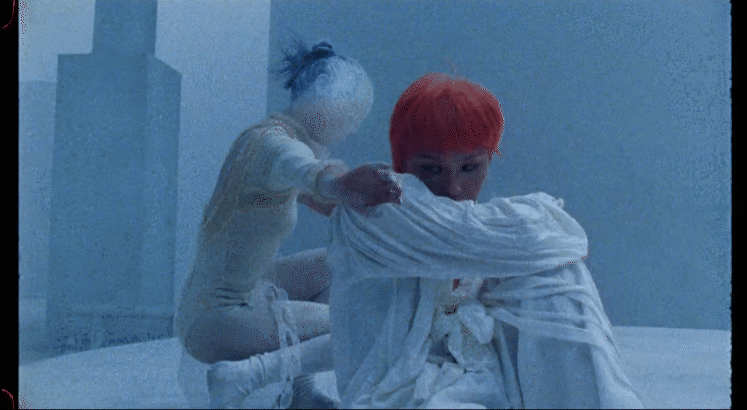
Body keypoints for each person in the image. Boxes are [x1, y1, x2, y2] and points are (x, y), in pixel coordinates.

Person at [326, 73, 643, 408]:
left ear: (489, 160)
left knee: (554, 275)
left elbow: (549, 238)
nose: (453, 189)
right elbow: (548, 234)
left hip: (482, 379)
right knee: (550, 265)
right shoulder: (380, 209)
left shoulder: (482, 236)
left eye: (469, 167)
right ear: (401, 164)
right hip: (399, 393)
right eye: (431, 169)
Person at [174, 39, 402, 409]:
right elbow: (308, 172)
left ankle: (301, 393)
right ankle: (244, 377)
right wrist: (344, 185)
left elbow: (321, 196)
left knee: (337, 262)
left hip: (229, 295)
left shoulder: (265, 136)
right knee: (362, 324)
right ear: (329, 106)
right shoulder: (274, 145)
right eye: (353, 118)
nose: (353, 129)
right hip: (217, 317)